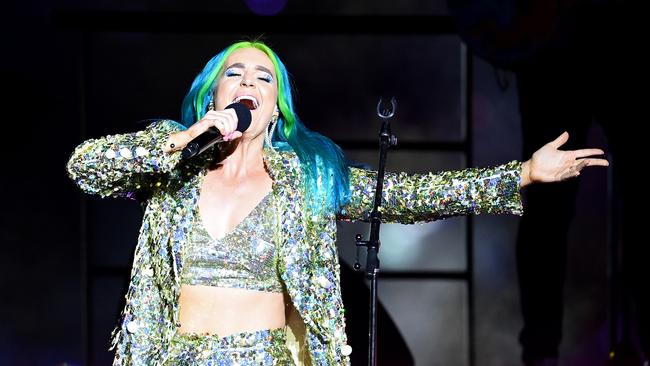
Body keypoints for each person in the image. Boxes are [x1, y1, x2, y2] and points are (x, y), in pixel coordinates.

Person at [66, 40, 608, 365]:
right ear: (214, 94)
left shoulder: (309, 179)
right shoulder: (172, 167)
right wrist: (184, 139)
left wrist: (520, 175)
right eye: (234, 73)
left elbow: (408, 195)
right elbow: (85, 168)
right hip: (172, 355)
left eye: (263, 77)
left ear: (275, 110)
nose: (247, 81)